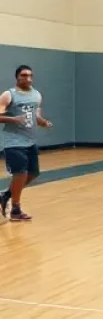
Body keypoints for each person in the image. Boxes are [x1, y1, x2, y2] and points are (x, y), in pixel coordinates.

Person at [0, 65, 53, 222]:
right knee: (21, 173)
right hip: (13, 141)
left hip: (30, 141)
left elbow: (36, 116)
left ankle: (5, 195)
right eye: (24, 75)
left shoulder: (36, 95)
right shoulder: (9, 95)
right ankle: (16, 209)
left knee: (33, 173)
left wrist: (43, 122)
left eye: (30, 75)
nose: (27, 78)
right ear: (17, 77)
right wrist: (13, 119)